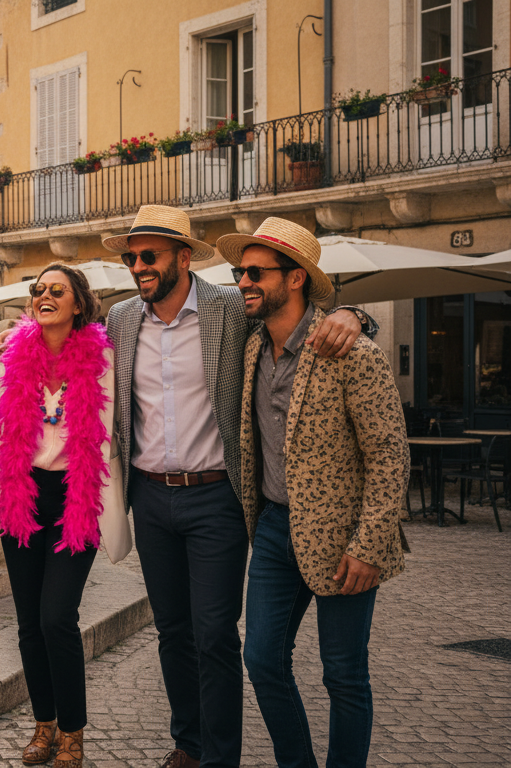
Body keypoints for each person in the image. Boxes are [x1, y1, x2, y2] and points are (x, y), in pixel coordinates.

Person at [101, 205, 369, 768]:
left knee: (215, 633)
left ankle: (221, 756)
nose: (138, 266)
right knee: (172, 631)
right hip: (149, 495)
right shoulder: (122, 319)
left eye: (149, 256)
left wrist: (353, 313)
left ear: (182, 256)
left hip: (216, 496)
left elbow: (296, 313)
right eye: (131, 257)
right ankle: (188, 745)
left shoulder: (229, 307)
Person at [221, 218, 408, 768]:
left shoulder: (352, 353)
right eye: (239, 272)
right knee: (262, 662)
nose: (243, 282)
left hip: (345, 537)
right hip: (275, 528)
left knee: (343, 673)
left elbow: (389, 456)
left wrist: (370, 544)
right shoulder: (253, 346)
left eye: (255, 272)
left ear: (296, 277)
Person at [0, 263, 131, 768]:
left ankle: (72, 732)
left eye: (57, 290)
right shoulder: (11, 354)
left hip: (79, 497)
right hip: (23, 496)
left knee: (57, 618)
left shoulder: (105, 356)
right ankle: (43, 726)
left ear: (79, 303)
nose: (44, 296)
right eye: (38, 290)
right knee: (29, 623)